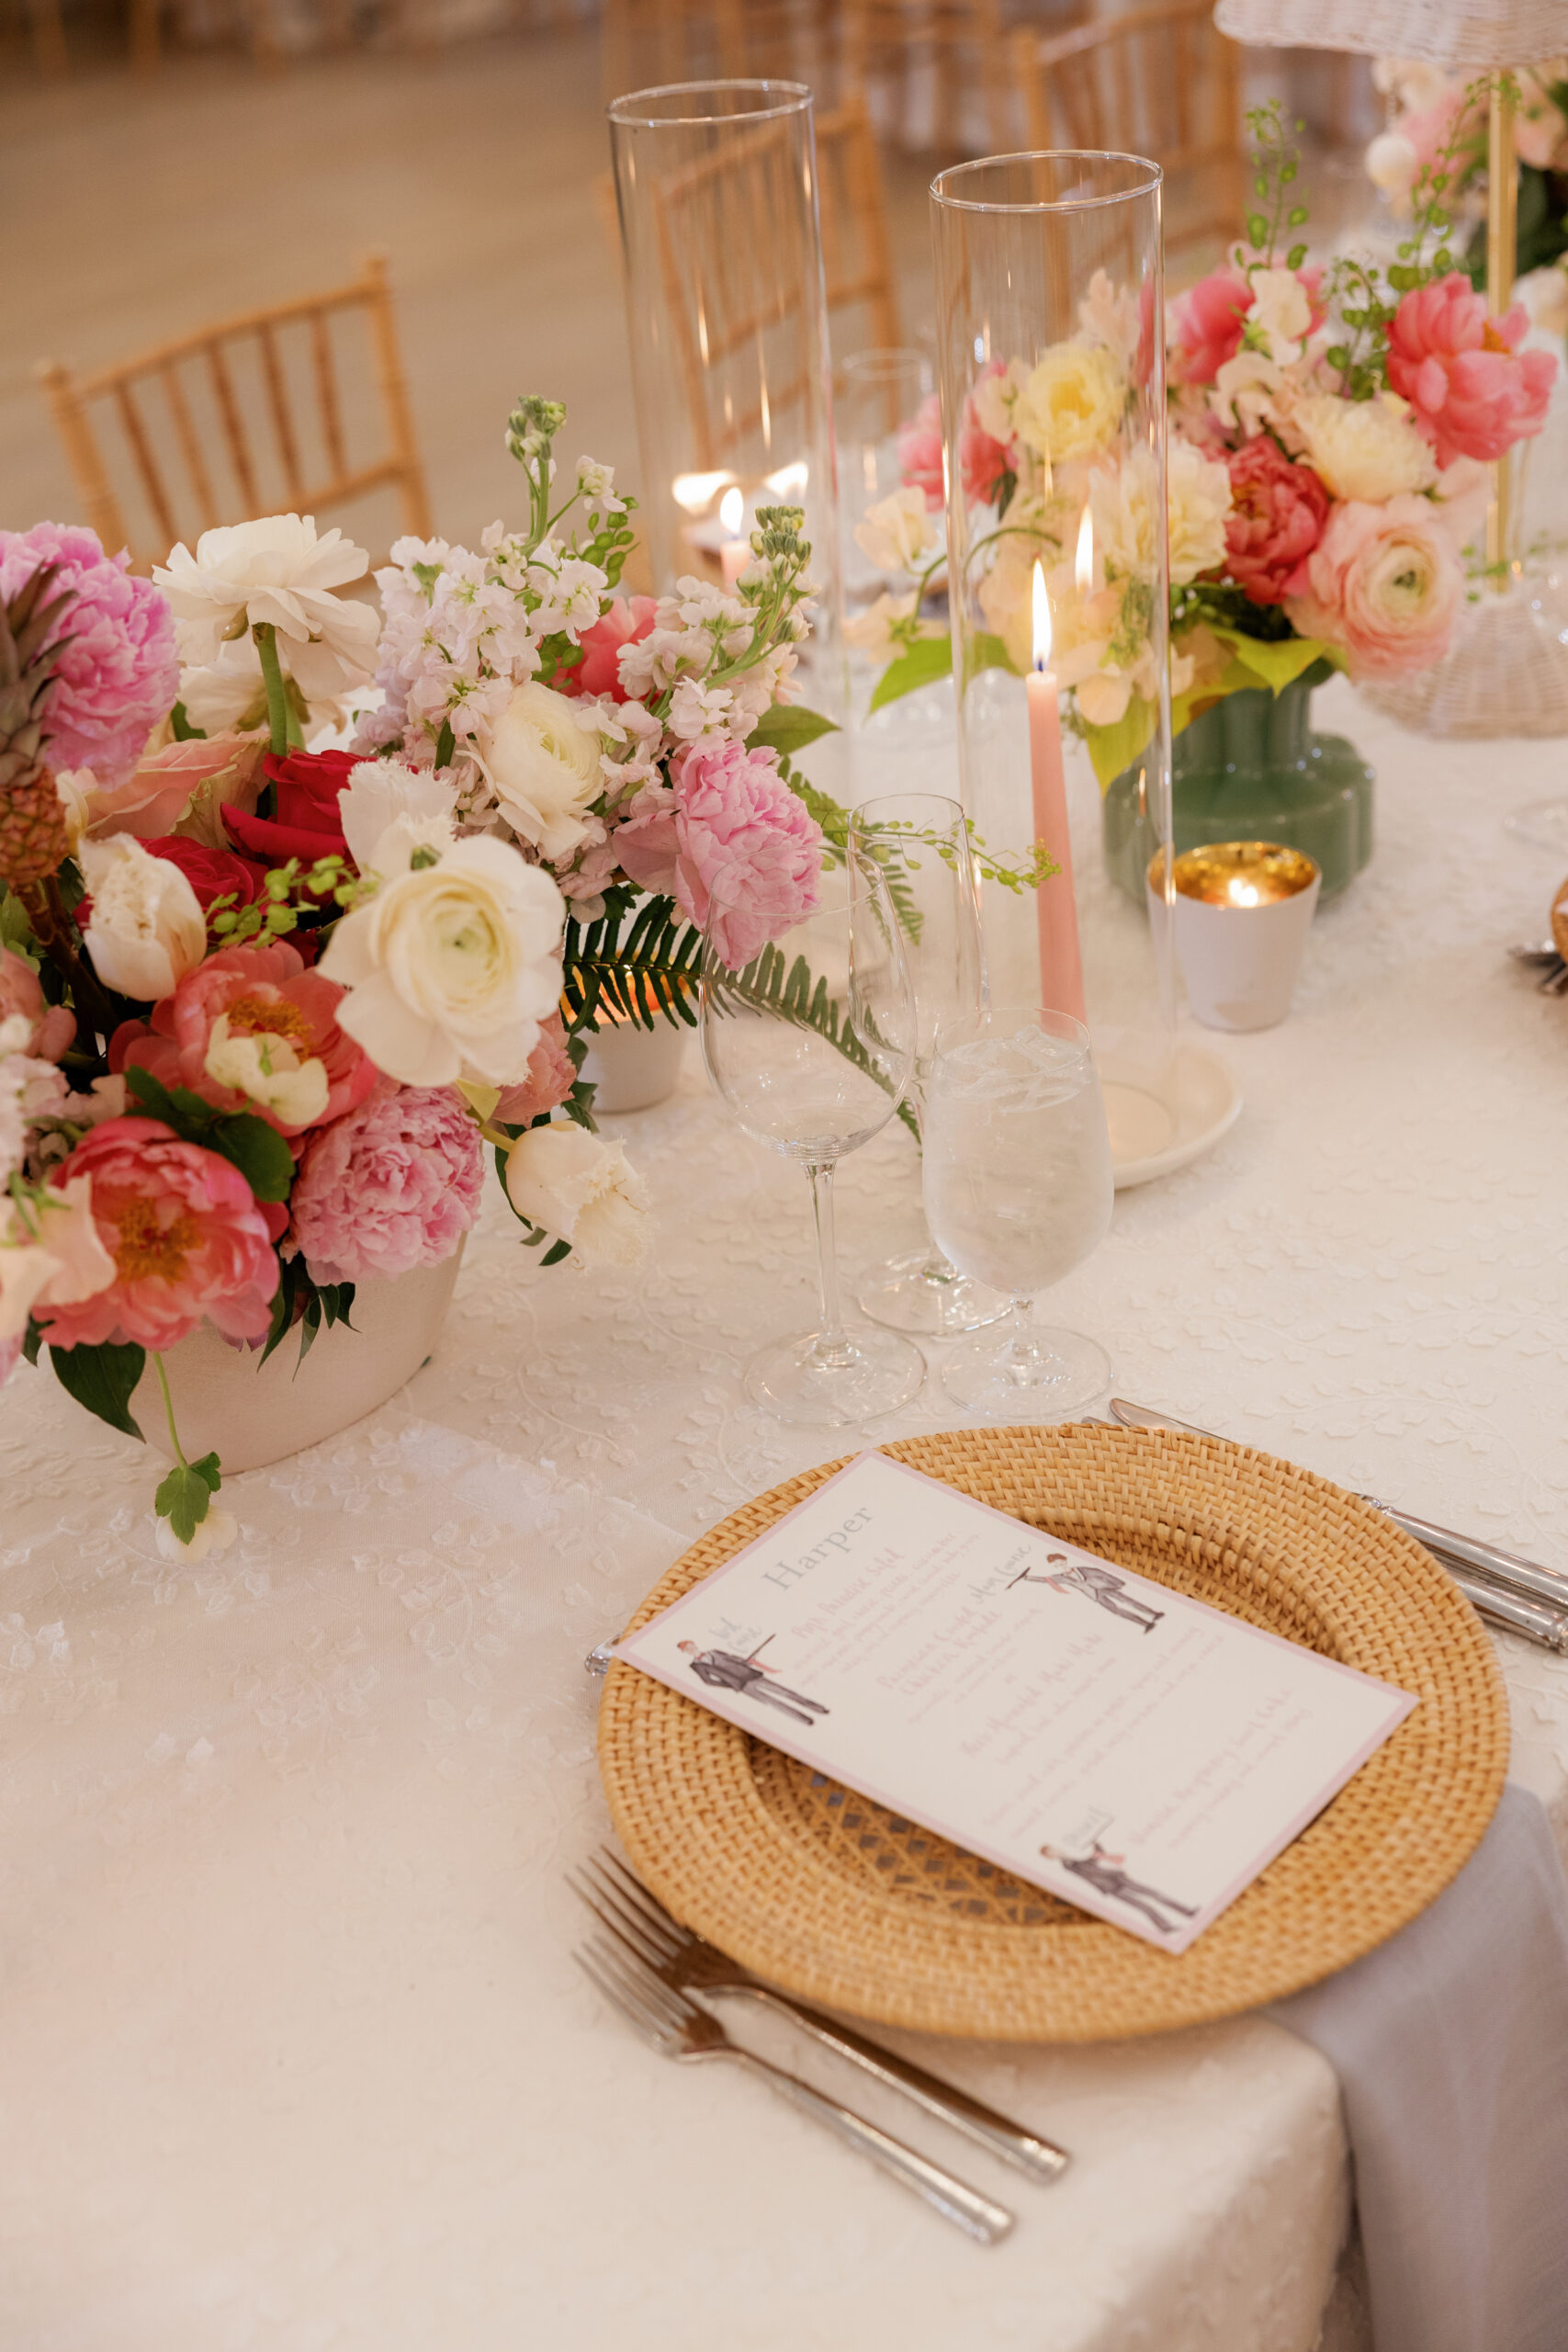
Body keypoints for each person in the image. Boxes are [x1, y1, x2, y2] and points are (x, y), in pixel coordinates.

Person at [1040, 1840, 1197, 1938]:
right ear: (1051, 1857)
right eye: (1052, 1853)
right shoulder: (1070, 1863)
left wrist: (1095, 1844)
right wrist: (1092, 1851)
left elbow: (1095, 1859)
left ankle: (1186, 1912)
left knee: (1154, 1894)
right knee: (1143, 1904)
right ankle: (1166, 1927)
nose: (1056, 1851)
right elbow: (1092, 1867)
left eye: (1054, 1848)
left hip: (1116, 1878)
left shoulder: (1074, 1857)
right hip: (1111, 1885)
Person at [677, 1639, 829, 1728]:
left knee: (787, 1693)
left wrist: (745, 1661)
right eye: (687, 1650)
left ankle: (819, 1708)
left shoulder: (715, 1652)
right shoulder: (696, 1666)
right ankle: (804, 1720)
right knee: (772, 1702)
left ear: (695, 1645)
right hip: (742, 1686)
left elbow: (735, 1658)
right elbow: (708, 1681)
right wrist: (731, 1685)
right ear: (685, 1653)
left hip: (752, 1676)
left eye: (691, 1646)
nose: (691, 1650)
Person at [1010, 1555, 1164, 1633]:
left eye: (1061, 1563)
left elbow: (1101, 1573)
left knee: (1128, 1601)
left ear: (1065, 1561)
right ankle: (1145, 1623)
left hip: (1104, 1587)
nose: (1060, 1566)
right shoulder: (1061, 1578)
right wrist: (1027, 1577)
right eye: (1056, 1566)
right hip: (1095, 1595)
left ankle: (1153, 1614)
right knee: (1116, 1610)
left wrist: (1117, 1582)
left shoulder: (1082, 1569)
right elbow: (1046, 1580)